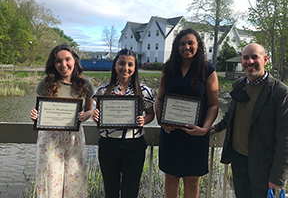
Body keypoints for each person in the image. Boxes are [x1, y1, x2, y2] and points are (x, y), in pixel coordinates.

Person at [211, 43, 288, 197]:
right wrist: (216, 127)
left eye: (254, 57)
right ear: (241, 61)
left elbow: (287, 138)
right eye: (245, 58)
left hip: (263, 165)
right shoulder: (240, 86)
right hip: (238, 161)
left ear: (265, 60)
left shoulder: (281, 93)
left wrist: (278, 176)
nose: (249, 61)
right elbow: (231, 114)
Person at [155, 28, 219, 197]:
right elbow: (160, 99)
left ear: (198, 45)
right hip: (170, 133)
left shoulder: (207, 70)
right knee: (170, 177)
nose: (186, 47)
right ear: (176, 46)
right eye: (182, 44)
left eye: (191, 43)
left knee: (192, 179)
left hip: (195, 135)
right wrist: (161, 120)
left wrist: (204, 129)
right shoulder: (168, 69)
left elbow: (213, 105)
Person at [30, 44, 94, 197]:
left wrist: (87, 115)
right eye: (58, 61)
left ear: (75, 61)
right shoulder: (45, 84)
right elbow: (38, 112)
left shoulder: (85, 84)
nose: (63, 65)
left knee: (75, 182)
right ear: (53, 63)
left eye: (67, 59)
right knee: (50, 184)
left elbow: (90, 110)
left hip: (74, 139)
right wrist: (34, 115)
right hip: (50, 140)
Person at [92, 49, 154, 198]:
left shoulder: (144, 91)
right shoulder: (103, 91)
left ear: (135, 68)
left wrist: (143, 120)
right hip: (109, 145)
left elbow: (151, 114)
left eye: (130, 64)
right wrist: (96, 117)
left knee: (130, 191)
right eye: (121, 63)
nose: (125, 68)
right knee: (110, 189)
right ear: (115, 65)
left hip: (134, 146)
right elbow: (99, 116)